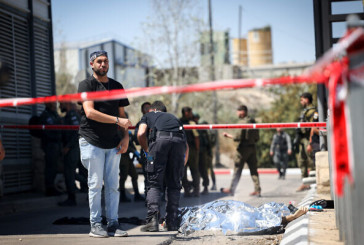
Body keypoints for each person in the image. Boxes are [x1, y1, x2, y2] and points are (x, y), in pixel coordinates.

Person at [78, 50, 132, 238]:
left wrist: (126, 138)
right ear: (92, 64)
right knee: (94, 185)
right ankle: (95, 225)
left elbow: (123, 116)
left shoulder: (117, 86)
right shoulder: (86, 84)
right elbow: (90, 112)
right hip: (91, 141)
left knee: (113, 185)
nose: (103, 64)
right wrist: (117, 121)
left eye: (106, 61)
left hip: (113, 143)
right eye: (99, 61)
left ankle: (113, 224)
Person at [138, 101, 189, 232]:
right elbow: (185, 144)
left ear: (152, 109)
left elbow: (140, 133)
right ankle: (171, 222)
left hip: (160, 142)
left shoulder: (149, 115)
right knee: (174, 184)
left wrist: (147, 151)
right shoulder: (174, 118)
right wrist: (182, 163)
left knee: (154, 183)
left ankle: (153, 222)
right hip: (179, 145)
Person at [221, 105, 261, 197]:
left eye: (238, 111)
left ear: (243, 111)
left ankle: (232, 189)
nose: (237, 113)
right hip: (252, 148)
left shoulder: (243, 122)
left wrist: (228, 135)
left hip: (243, 149)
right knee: (254, 170)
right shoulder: (253, 121)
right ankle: (257, 189)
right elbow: (257, 137)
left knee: (237, 170)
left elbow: (238, 137)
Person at [294, 92, 319, 192]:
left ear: (307, 100)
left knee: (311, 160)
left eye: (302, 100)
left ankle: (314, 183)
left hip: (309, 138)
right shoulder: (305, 111)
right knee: (301, 161)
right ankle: (305, 183)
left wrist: (310, 142)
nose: (301, 102)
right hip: (302, 139)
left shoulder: (313, 112)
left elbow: (314, 126)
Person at [57, 102, 81, 206]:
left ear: (67, 104)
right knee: (70, 173)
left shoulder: (72, 116)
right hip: (71, 148)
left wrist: (68, 146)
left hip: (72, 149)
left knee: (69, 174)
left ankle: (72, 198)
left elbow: (77, 132)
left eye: (61, 105)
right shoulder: (68, 116)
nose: (59, 107)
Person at [119, 113, 145, 203]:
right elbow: (121, 144)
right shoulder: (118, 130)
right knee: (123, 177)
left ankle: (137, 194)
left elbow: (133, 143)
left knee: (134, 175)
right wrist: (133, 151)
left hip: (128, 157)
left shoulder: (127, 131)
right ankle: (122, 196)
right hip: (122, 156)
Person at [40, 102, 63, 196]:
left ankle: (52, 186)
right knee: (50, 167)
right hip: (50, 144)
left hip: (57, 144)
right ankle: (49, 188)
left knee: (54, 167)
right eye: (53, 104)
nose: (55, 105)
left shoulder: (55, 114)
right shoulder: (45, 115)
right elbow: (49, 131)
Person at [180, 107, 200, 197]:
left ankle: (187, 190)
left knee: (183, 171)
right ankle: (196, 190)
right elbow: (196, 137)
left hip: (181, 149)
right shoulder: (191, 123)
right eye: (191, 112)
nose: (192, 114)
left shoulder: (178, 122)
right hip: (191, 149)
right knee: (194, 170)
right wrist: (197, 149)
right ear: (186, 113)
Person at [133, 101, 151, 199]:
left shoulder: (158, 122)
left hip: (158, 152)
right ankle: (149, 197)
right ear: (142, 111)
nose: (148, 110)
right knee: (148, 175)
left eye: (149, 108)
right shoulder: (140, 124)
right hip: (147, 152)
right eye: (146, 108)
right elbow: (137, 138)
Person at [192, 114, 210, 195]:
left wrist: (208, 152)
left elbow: (207, 141)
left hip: (202, 152)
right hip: (195, 152)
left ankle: (205, 186)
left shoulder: (200, 128)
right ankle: (196, 187)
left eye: (196, 118)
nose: (195, 119)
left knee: (203, 170)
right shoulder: (192, 127)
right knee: (196, 170)